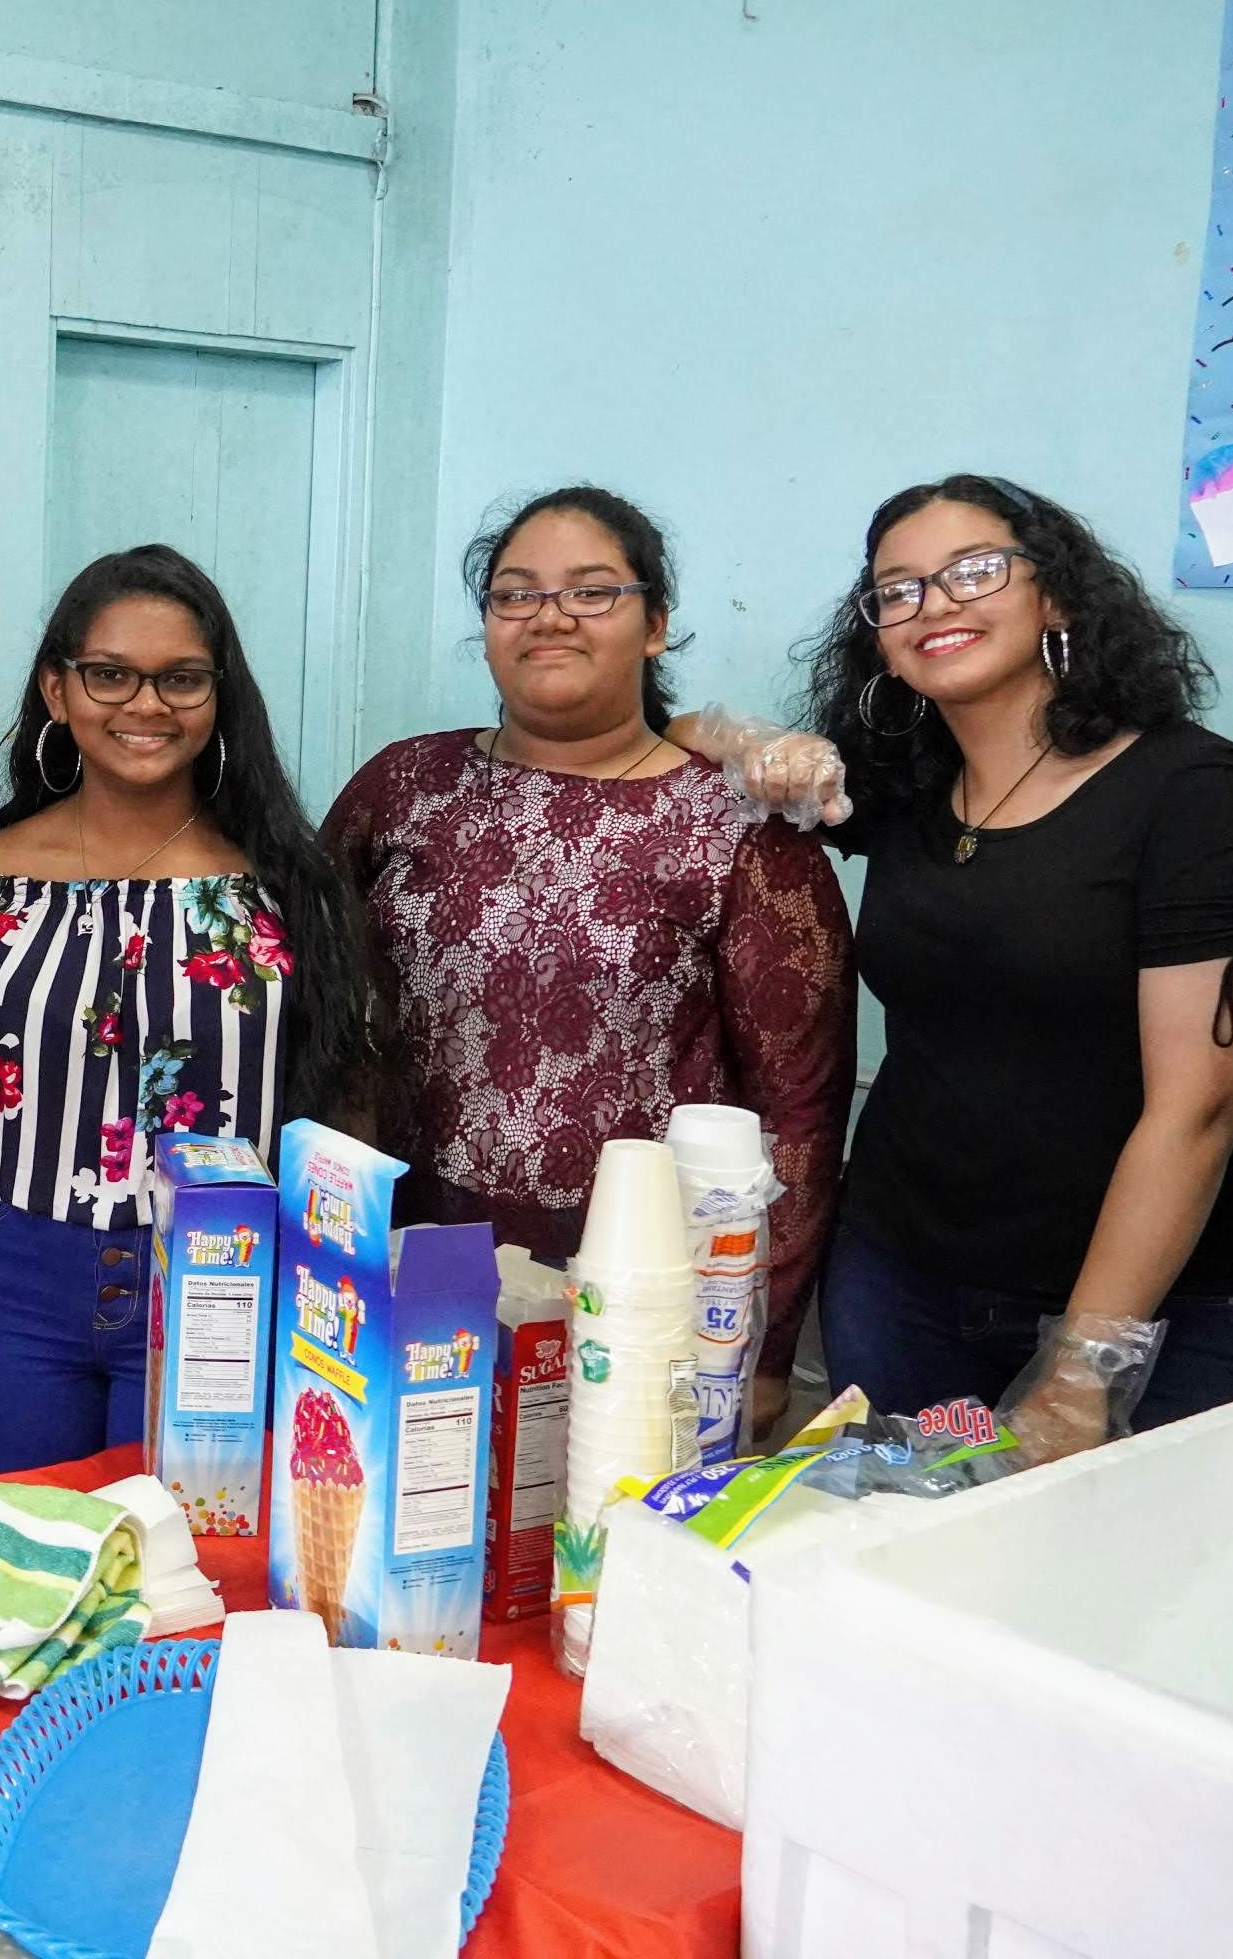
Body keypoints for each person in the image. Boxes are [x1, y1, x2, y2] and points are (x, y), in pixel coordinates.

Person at [773, 474, 1233, 1456]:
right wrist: (755, 745)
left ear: (1057, 596)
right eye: (898, 589)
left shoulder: (1201, 796)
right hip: (897, 1279)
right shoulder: (907, 793)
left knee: (1124, 1559)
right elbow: (681, 738)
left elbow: (1203, 1108)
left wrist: (1083, 1365)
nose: (935, 602)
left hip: (1146, 1317)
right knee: (902, 1550)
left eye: (975, 569)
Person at [321, 487, 855, 1436]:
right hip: (413, 1262)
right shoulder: (404, 784)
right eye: (516, 593)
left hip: (641, 1299)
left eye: (592, 591)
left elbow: (799, 1109)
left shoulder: (739, 823)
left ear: (656, 626)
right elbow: (310, 988)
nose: (550, 616)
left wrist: (762, 1346)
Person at [0, 544, 377, 1476]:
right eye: (110, 675)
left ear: (219, 697)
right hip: (7, 1288)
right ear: (57, 690)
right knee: (28, 1545)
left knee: (190, 1552)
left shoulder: (290, 893)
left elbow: (343, 1121)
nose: (147, 705)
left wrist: (329, 1334)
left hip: (222, 1290)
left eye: (181, 680)